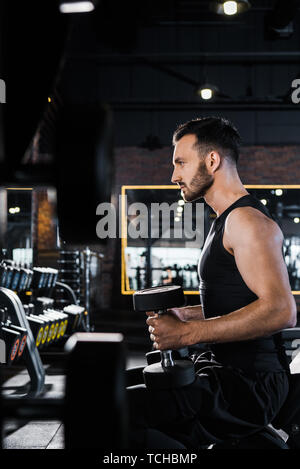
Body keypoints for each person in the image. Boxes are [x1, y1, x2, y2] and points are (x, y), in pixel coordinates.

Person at [127, 116, 297, 449]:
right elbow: (239, 303)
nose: (174, 175)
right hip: (225, 372)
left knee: (119, 414)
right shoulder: (225, 219)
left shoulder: (246, 221)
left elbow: (280, 311)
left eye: (180, 163)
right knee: (122, 391)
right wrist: (187, 316)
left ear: (212, 160)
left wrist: (188, 334)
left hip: (249, 386)